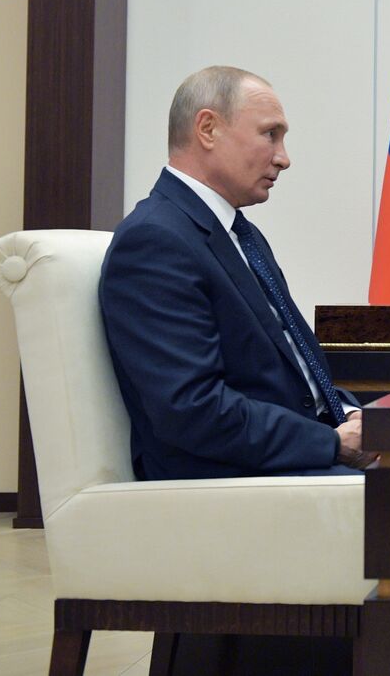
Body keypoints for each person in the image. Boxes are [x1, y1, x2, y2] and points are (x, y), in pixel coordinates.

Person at [100, 66, 372, 479]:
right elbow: (192, 410)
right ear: (208, 129)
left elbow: (286, 378)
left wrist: (350, 416)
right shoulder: (155, 241)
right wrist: (332, 443)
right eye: (270, 134)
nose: (283, 158)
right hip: (227, 479)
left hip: (288, 455)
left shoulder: (239, 233)